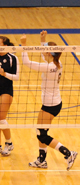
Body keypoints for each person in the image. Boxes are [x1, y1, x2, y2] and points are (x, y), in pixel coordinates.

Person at [20, 31, 78, 170]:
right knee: (40, 132)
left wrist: (23, 46)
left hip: (50, 105)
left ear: (49, 53)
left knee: (42, 135)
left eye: (45, 49)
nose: (43, 50)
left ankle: (68, 153)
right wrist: (43, 40)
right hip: (53, 103)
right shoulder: (57, 63)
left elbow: (26, 62)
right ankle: (41, 160)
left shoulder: (49, 67)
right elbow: (44, 55)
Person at [0, 36, 20, 156]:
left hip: (6, 89)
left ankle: (9, 143)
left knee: (1, 118)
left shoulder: (12, 58)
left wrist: (5, 74)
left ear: (5, 46)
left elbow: (16, 77)